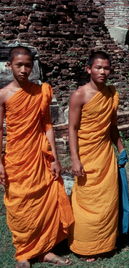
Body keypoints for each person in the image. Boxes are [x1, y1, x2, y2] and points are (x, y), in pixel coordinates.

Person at [0, 46, 74, 267]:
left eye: (27, 65)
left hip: (39, 155)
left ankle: (45, 250)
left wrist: (55, 158)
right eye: (18, 65)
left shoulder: (41, 91)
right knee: (19, 203)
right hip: (16, 157)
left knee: (45, 201)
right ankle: (23, 252)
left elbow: (47, 126)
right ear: (9, 65)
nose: (23, 70)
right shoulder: (3, 95)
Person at [68, 51, 124, 261]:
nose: (102, 71)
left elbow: (112, 126)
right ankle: (85, 246)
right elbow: (72, 129)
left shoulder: (111, 93)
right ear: (88, 69)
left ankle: (105, 243)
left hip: (105, 155)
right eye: (98, 67)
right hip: (86, 154)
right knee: (87, 200)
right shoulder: (79, 95)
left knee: (107, 200)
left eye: (106, 68)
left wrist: (121, 148)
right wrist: (75, 159)